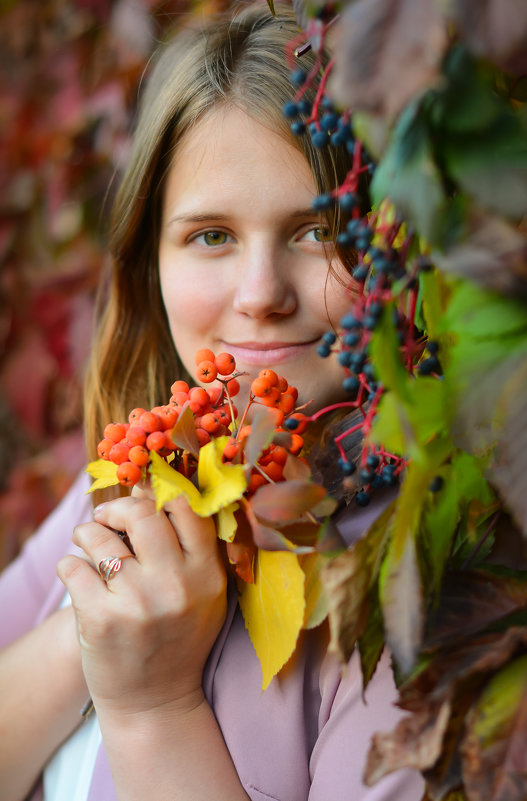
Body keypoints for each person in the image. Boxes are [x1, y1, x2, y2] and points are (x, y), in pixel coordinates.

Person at [0, 3, 424, 800]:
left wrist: (151, 704)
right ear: (148, 261)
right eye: (210, 235)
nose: (260, 295)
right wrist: (90, 631)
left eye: (318, 230)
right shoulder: (136, 474)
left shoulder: (422, 584)